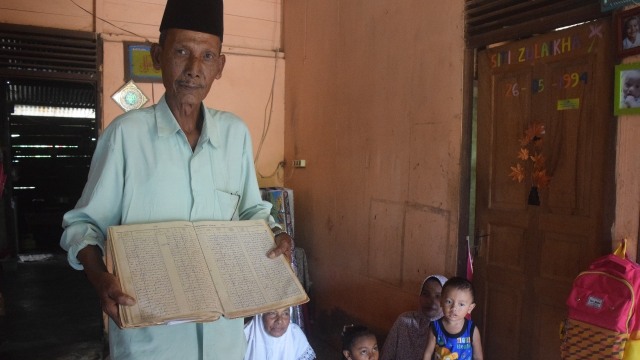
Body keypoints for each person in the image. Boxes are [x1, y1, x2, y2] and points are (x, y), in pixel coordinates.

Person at [59, 0, 293, 358]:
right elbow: (83, 226)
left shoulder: (235, 134)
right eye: (182, 51)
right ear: (158, 55)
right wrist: (98, 277)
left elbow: (252, 213)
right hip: (149, 342)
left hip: (224, 341)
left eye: (207, 56)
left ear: (220, 66)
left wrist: (276, 234)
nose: (194, 68)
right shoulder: (126, 136)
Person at [381, 274, 447, 360]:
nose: (431, 301)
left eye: (438, 296)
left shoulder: (449, 330)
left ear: (447, 300)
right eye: (426, 294)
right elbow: (386, 355)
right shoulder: (404, 321)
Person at [422, 277, 483, 360]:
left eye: (461, 304)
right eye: (449, 302)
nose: (454, 308)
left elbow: (478, 356)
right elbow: (427, 354)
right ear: (441, 302)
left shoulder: (472, 330)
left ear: (470, 308)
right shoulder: (435, 327)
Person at [243, 307, 315, 360]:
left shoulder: (295, 334)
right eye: (272, 313)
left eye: (285, 313)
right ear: (261, 315)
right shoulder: (244, 336)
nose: (279, 320)